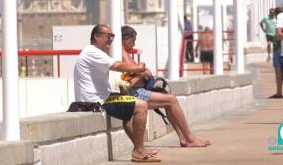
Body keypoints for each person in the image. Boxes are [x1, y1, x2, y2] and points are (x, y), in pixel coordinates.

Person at [73, 24, 161, 162]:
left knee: (129, 111)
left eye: (113, 37)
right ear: (96, 36)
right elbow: (117, 66)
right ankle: (138, 151)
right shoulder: (91, 52)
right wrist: (139, 68)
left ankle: (140, 148)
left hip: (102, 97)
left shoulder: (95, 52)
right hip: (95, 102)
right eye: (108, 36)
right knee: (141, 106)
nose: (111, 39)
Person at [121, 25, 210, 147]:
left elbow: (133, 75)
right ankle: (190, 138)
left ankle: (183, 139)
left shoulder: (124, 54)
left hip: (139, 90)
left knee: (168, 99)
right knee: (172, 100)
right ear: (126, 38)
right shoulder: (121, 53)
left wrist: (144, 74)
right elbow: (128, 82)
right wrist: (144, 74)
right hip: (134, 92)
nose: (134, 44)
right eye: (133, 40)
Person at [269, 7, 283, 99]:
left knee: (279, 73)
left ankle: (279, 93)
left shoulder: (281, 24)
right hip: (279, 50)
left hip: (279, 50)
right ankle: (281, 92)